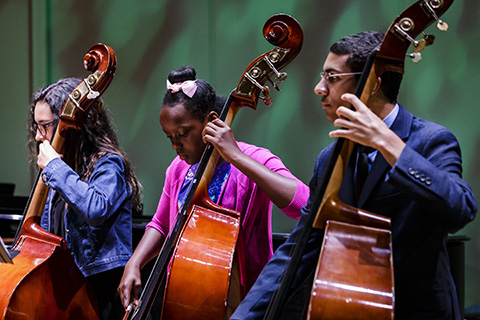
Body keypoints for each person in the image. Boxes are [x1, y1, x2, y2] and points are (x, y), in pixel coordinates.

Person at [230, 31, 477, 320]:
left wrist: (388, 144)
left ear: (373, 85)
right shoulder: (329, 159)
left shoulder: (431, 140)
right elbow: (300, 246)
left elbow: (461, 208)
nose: (318, 88)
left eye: (331, 78)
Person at [117, 66, 309, 313]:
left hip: (244, 302)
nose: (176, 145)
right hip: (188, 298)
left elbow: (303, 203)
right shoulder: (178, 169)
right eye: (169, 137)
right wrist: (134, 262)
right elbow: (162, 224)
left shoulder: (254, 159)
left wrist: (236, 157)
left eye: (183, 134)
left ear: (211, 120)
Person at [27, 77, 142, 320]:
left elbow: (95, 209)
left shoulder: (108, 164)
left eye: (44, 125)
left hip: (101, 293)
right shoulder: (59, 171)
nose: (38, 136)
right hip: (68, 289)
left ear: (68, 124)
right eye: (35, 127)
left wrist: (55, 168)